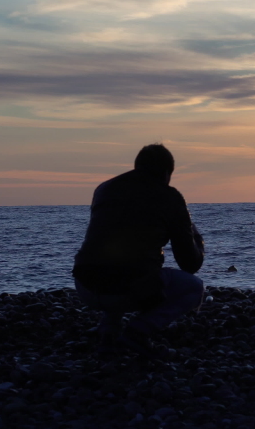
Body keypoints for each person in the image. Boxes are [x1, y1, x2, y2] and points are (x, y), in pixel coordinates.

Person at [73, 143, 205, 357]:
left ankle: (109, 333)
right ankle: (138, 332)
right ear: (166, 173)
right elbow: (190, 264)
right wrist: (195, 236)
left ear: (136, 166)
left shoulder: (104, 189)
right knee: (193, 287)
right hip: (126, 290)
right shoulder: (169, 196)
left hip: (85, 286)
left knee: (116, 261)